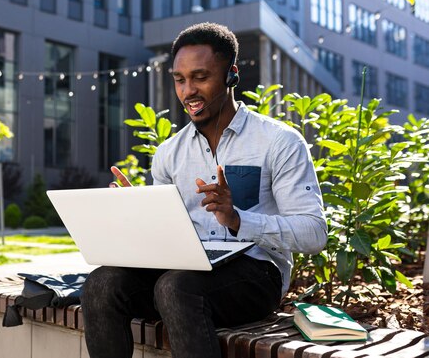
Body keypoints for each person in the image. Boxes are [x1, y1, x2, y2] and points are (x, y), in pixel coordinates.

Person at [81, 22, 327, 358]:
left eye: (200, 77)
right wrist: (134, 215)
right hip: (186, 270)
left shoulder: (278, 142)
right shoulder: (169, 153)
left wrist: (239, 219)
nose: (188, 91)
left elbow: (314, 233)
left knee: (176, 287)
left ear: (231, 75)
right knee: (101, 284)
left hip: (256, 276)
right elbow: (165, 238)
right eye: (180, 80)